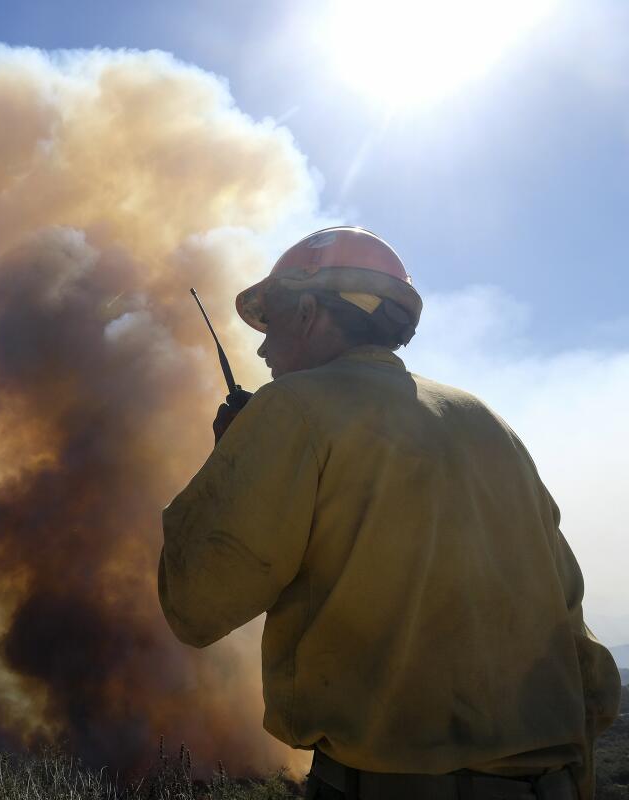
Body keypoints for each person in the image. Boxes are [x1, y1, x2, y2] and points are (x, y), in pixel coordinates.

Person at [158, 227, 620, 800]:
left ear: (306, 311)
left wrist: (232, 462)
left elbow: (196, 604)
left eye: (270, 324)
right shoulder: (488, 422)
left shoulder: (292, 409)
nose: (260, 350)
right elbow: (585, 654)